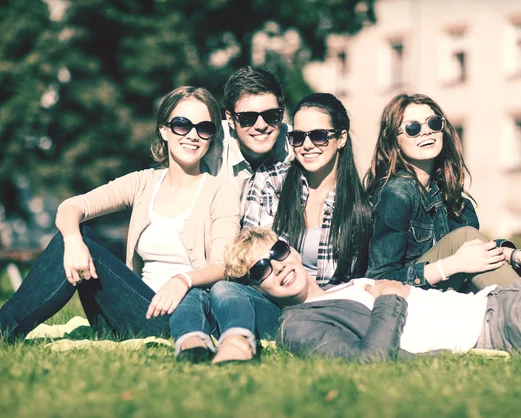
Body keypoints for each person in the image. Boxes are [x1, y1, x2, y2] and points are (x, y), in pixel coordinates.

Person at [0, 86, 240, 363]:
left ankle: (5, 328)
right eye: (182, 124)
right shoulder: (144, 182)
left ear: (212, 136)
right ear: (164, 130)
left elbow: (224, 266)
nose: (192, 135)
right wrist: (73, 241)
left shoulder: (219, 191)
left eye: (204, 128)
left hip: (182, 320)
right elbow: (72, 206)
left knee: (85, 241)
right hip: (130, 310)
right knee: (81, 234)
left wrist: (183, 280)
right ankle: (6, 326)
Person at [225, 227, 521, 362]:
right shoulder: (298, 326)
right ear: (257, 287)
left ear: (290, 249)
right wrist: (390, 299)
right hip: (504, 329)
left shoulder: (344, 285)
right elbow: (367, 364)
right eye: (260, 269)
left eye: (276, 252)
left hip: (504, 295)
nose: (276, 266)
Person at [208, 92, 372, 364]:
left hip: (329, 314)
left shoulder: (360, 206)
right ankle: (236, 345)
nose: (307, 145)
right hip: (277, 307)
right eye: (298, 137)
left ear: (341, 138)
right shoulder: (272, 182)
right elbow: (246, 256)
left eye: (319, 136)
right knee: (224, 290)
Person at [364, 93, 518, 292]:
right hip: (407, 302)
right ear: (394, 140)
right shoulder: (397, 193)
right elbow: (379, 279)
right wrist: (452, 265)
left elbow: (477, 255)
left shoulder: (452, 198)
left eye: (434, 123)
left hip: (449, 299)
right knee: (466, 237)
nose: (426, 132)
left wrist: (514, 254)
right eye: (413, 128)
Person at [201, 66, 294, 204]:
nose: (261, 125)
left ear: (281, 114)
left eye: (271, 115)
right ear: (230, 119)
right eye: (248, 118)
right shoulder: (209, 146)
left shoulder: (299, 144)